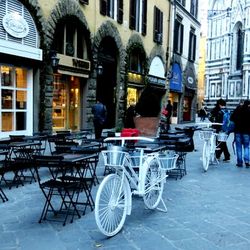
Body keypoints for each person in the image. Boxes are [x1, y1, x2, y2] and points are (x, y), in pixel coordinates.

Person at [230, 100, 250, 167]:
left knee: (239, 147)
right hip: (247, 132)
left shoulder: (238, 109)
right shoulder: (249, 110)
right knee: (246, 147)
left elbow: (231, 118)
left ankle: (239, 162)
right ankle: (247, 161)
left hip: (238, 131)